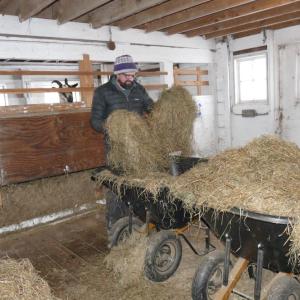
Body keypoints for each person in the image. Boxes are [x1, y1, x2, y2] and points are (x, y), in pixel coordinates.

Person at [90, 55, 153, 244]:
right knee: (118, 191)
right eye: (126, 75)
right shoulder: (103, 92)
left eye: (133, 74)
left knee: (138, 188)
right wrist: (115, 127)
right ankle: (116, 232)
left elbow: (149, 106)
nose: (130, 78)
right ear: (117, 74)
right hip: (116, 150)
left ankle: (139, 230)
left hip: (138, 149)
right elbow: (95, 122)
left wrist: (159, 110)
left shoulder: (138, 89)